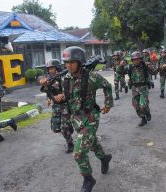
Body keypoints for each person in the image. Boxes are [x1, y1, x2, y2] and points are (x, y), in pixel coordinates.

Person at [61, 46, 113, 192]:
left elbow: (107, 86)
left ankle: (88, 179)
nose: (68, 65)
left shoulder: (91, 77)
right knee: (91, 143)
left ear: (79, 62)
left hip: (90, 118)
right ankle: (104, 158)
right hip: (76, 119)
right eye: (66, 62)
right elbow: (71, 96)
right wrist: (60, 97)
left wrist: (108, 104)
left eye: (71, 62)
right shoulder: (66, 78)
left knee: (78, 153)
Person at [39, 59, 74, 153]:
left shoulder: (64, 76)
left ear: (57, 67)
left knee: (64, 127)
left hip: (66, 105)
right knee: (56, 127)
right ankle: (70, 128)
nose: (50, 70)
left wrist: (62, 94)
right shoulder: (49, 78)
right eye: (49, 69)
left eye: (52, 68)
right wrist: (49, 98)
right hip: (56, 106)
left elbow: (71, 89)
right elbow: (48, 91)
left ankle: (70, 143)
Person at [126, 51, 158, 126]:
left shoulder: (144, 66)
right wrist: (121, 65)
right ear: (132, 60)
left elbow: (155, 72)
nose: (135, 61)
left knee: (143, 105)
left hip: (143, 88)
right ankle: (143, 119)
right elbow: (120, 71)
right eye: (134, 59)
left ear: (140, 59)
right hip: (134, 89)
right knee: (136, 105)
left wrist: (151, 66)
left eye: (137, 59)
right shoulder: (130, 67)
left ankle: (147, 112)